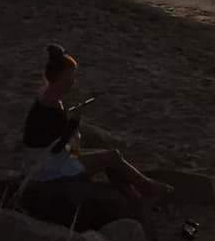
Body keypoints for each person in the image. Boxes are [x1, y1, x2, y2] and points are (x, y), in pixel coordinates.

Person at [21, 44, 167, 199]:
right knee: (112, 156)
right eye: (70, 77)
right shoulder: (51, 104)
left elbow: (53, 136)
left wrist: (72, 126)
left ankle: (133, 192)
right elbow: (61, 147)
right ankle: (146, 188)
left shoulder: (46, 95)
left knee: (107, 152)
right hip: (48, 168)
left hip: (42, 160)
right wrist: (75, 121)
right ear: (60, 77)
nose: (73, 82)